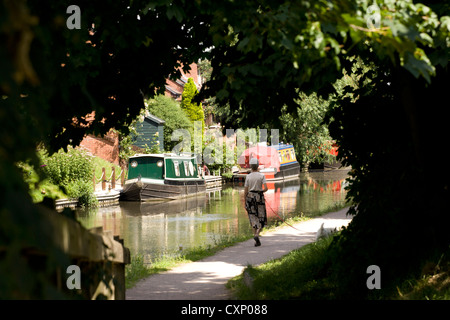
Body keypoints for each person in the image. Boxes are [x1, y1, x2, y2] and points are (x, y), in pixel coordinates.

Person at [244, 158, 268, 247]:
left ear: (251, 166)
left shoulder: (248, 176)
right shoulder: (261, 176)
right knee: (261, 216)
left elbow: (245, 190)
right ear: (257, 166)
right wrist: (260, 192)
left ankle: (255, 237)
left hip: (250, 197)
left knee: (252, 216)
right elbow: (266, 188)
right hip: (259, 197)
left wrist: (244, 201)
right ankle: (257, 234)